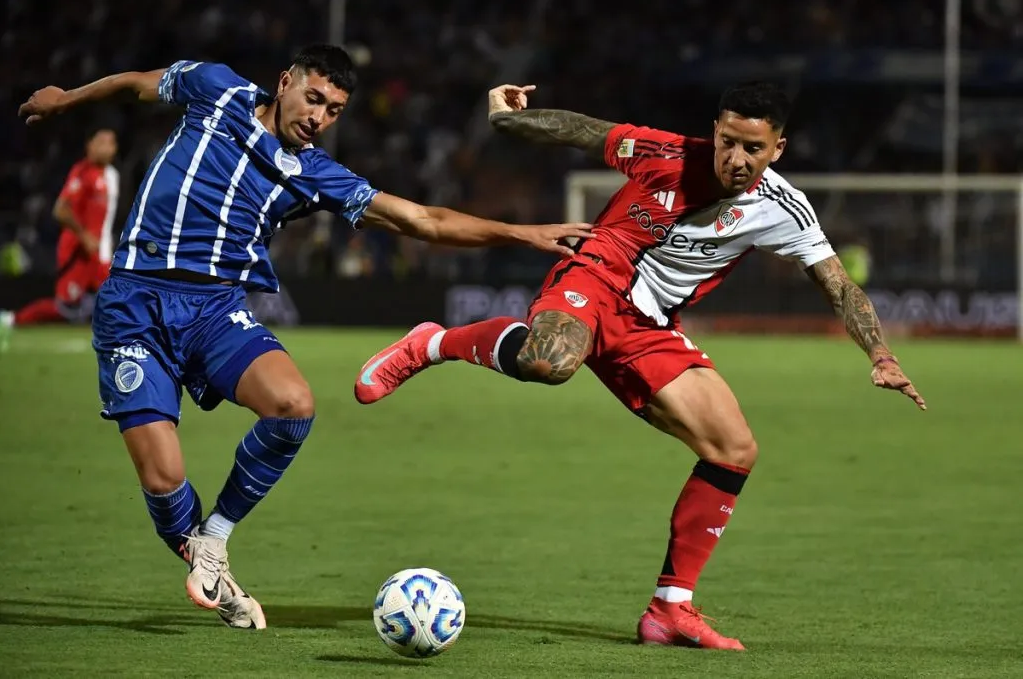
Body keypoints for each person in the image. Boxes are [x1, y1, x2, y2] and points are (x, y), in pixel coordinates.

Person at [16, 46, 592, 630]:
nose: (319, 117)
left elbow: (423, 220)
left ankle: (213, 541)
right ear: (286, 81)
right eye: (314, 99)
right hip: (133, 305)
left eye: (335, 110)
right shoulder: (216, 90)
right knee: (163, 480)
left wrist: (524, 233)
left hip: (214, 311)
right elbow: (138, 82)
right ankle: (201, 559)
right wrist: (68, 98)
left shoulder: (314, 174)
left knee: (294, 405)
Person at [353, 81, 927, 650]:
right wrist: (508, 121)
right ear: (715, 131)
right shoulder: (669, 154)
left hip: (650, 327)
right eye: (727, 141)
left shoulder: (783, 210)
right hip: (596, 274)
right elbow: (585, 131)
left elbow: (837, 284)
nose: (735, 158)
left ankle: (670, 611)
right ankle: (432, 344)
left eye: (752, 148)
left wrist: (880, 355)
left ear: (778, 148)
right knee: (549, 361)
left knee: (734, 449)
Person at [0, 128, 119, 342]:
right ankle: (12, 318)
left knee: (113, 299)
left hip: (100, 254)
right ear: (89, 145)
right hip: (78, 252)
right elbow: (60, 209)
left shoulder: (112, 176)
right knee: (66, 307)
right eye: (100, 142)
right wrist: (84, 236)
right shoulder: (82, 172)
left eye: (110, 143)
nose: (105, 147)